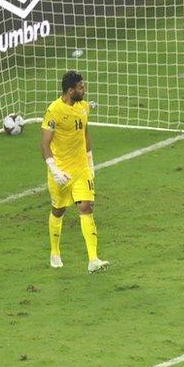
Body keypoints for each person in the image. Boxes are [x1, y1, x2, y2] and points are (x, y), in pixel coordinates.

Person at [41, 71, 110, 273]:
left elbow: (85, 133)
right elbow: (45, 145)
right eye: (80, 87)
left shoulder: (83, 107)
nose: (84, 90)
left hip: (81, 170)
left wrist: (90, 162)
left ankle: (93, 260)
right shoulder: (53, 111)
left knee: (86, 207)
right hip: (61, 173)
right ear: (70, 91)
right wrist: (54, 171)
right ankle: (55, 252)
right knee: (58, 210)